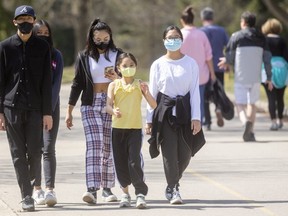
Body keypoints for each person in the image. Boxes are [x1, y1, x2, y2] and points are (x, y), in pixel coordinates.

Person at [0, 5, 52, 211]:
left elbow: (46, 82)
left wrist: (47, 112)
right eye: (21, 19)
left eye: (29, 19)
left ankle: (31, 182)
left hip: (35, 109)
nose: (25, 22)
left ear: (34, 21)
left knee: (35, 151)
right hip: (11, 108)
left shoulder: (42, 47)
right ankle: (26, 196)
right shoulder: (4, 47)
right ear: (15, 22)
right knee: (17, 153)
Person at [146, 25, 205, 205]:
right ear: (164, 41)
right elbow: (152, 93)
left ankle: (173, 182)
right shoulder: (157, 64)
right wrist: (149, 120)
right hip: (164, 112)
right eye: (170, 37)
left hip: (185, 111)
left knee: (186, 153)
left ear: (181, 39)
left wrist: (196, 117)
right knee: (169, 153)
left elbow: (195, 91)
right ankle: (173, 188)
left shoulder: (191, 63)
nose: (173, 40)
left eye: (176, 36)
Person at [65, 18, 121, 204]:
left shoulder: (118, 55)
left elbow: (128, 79)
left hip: (112, 103)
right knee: (95, 144)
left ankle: (107, 188)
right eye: (98, 38)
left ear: (110, 37)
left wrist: (117, 77)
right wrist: (69, 110)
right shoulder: (84, 56)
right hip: (90, 103)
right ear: (92, 37)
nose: (102, 41)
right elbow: (77, 84)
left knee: (109, 146)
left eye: (105, 37)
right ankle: (91, 189)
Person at [106, 52, 157, 209]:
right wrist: (113, 111)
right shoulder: (113, 85)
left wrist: (147, 93)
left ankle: (140, 193)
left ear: (136, 67)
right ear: (118, 68)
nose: (128, 68)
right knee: (120, 163)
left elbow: (154, 105)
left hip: (134, 129)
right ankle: (125, 194)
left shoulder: (139, 84)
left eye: (131, 65)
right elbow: (107, 106)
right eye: (125, 66)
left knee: (134, 161)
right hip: (117, 129)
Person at [218, 11, 273, 142]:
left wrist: (226, 61)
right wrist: (269, 77)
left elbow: (229, 56)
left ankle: (245, 122)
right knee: (252, 104)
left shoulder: (236, 36)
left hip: (241, 75)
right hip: (256, 76)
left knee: (240, 104)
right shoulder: (261, 37)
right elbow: (267, 58)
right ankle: (251, 131)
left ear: (243, 22)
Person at [31, 19, 64, 207]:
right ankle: (37, 189)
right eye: (39, 32)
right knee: (34, 149)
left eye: (46, 32)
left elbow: (56, 84)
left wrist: (48, 111)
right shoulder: (27, 55)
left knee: (48, 147)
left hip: (50, 108)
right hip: (31, 108)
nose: (43, 35)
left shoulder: (56, 55)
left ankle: (50, 189)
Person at [180, 5, 216, 125]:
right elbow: (209, 56)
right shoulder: (201, 35)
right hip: (201, 75)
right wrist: (212, 73)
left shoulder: (179, 35)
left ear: (182, 20)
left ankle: (185, 125)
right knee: (198, 101)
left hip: (182, 75)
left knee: (183, 101)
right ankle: (197, 125)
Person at [200, 7, 229, 130]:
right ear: (213, 17)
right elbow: (228, 46)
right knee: (218, 91)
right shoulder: (221, 31)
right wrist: (227, 63)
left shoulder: (200, 31)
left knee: (205, 95)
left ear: (202, 18)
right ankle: (218, 108)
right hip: (219, 65)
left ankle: (207, 122)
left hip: (204, 67)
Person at [261, 18, 288, 130]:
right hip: (282, 70)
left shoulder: (264, 40)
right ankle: (281, 120)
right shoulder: (283, 40)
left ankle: (273, 122)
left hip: (268, 70)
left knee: (271, 98)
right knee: (280, 97)